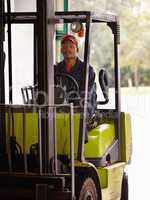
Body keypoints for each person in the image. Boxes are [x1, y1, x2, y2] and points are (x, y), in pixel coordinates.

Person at [54, 34, 97, 116]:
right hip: (61, 109)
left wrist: (73, 109)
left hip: (82, 110)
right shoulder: (56, 69)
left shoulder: (87, 70)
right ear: (61, 50)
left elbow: (85, 94)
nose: (68, 49)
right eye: (65, 47)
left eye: (71, 47)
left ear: (77, 50)